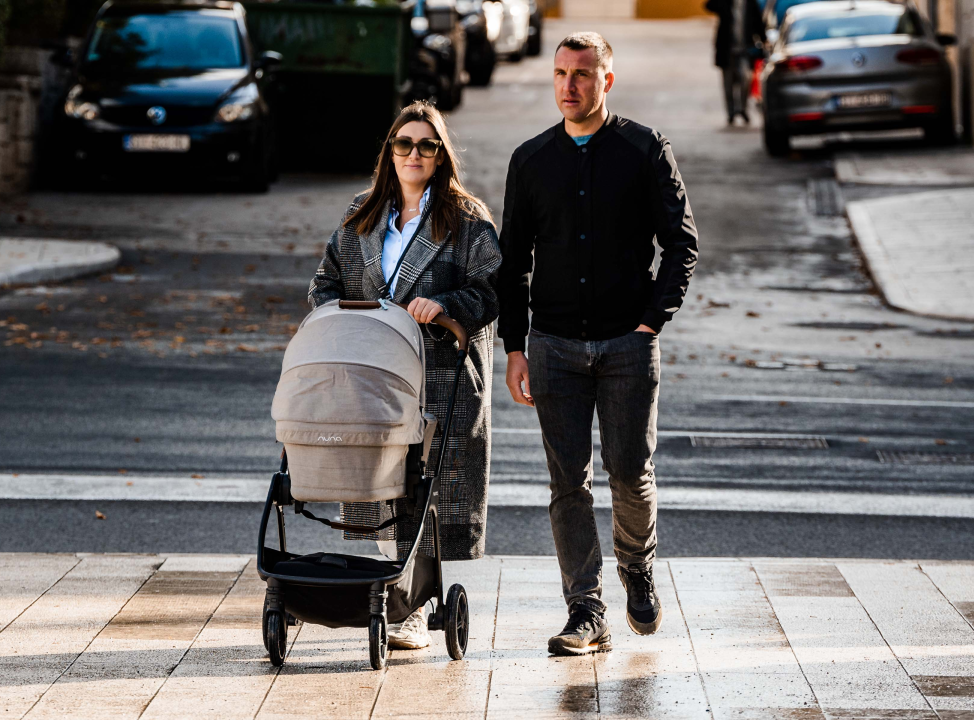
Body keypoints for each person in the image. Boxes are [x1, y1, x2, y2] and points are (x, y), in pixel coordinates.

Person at [497, 32, 698, 656]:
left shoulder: (643, 149)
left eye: (582, 74)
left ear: (607, 80)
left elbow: (682, 244)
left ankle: (636, 565)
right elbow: (512, 265)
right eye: (560, 73)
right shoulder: (530, 161)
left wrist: (650, 322)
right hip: (553, 346)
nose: (568, 86)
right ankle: (586, 610)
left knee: (631, 475)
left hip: (626, 347)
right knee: (568, 483)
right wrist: (514, 345)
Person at [309, 101, 501, 650]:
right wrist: (344, 316)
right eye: (403, 143)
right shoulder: (361, 214)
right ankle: (390, 590)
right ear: (389, 152)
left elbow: (491, 293)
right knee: (381, 487)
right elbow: (323, 285)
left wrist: (439, 306)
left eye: (426, 145)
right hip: (372, 377)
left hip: (440, 374)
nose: (413, 154)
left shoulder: (466, 221)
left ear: (440, 156)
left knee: (426, 490)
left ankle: (413, 606)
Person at [706, 0, 764, 124]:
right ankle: (731, 113)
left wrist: (764, 40)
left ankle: (742, 108)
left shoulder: (750, 3)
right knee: (728, 84)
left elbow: (758, 22)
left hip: (744, 51)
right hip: (726, 50)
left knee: (745, 79)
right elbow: (709, 5)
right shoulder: (725, 2)